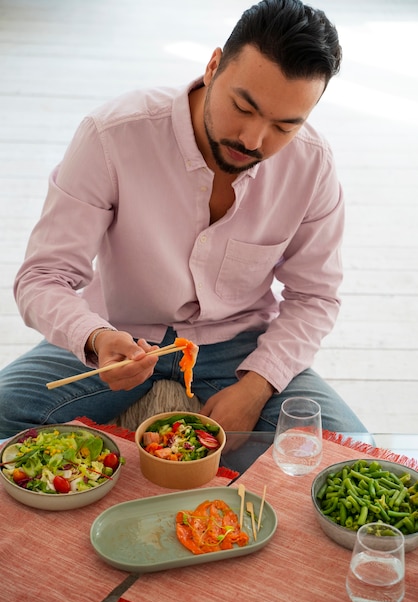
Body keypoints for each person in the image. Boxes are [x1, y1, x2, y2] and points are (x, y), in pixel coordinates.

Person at [0, 0, 368, 439]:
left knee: (351, 451)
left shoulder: (312, 164)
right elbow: (42, 276)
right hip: (118, 332)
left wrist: (256, 387)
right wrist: (95, 339)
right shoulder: (112, 135)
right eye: (243, 107)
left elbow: (316, 296)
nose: (253, 140)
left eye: (284, 127)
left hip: (239, 345)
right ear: (214, 65)